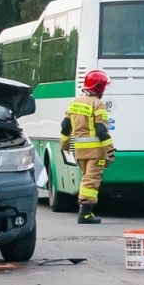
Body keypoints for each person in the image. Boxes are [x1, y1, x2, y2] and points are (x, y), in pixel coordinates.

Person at [59, 69, 115, 225]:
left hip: (80, 151)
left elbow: (65, 126)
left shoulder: (75, 102)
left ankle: (86, 211)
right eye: (103, 86)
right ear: (99, 87)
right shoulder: (98, 104)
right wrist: (110, 150)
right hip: (95, 151)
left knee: (86, 178)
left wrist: (64, 145)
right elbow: (102, 131)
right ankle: (85, 214)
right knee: (91, 180)